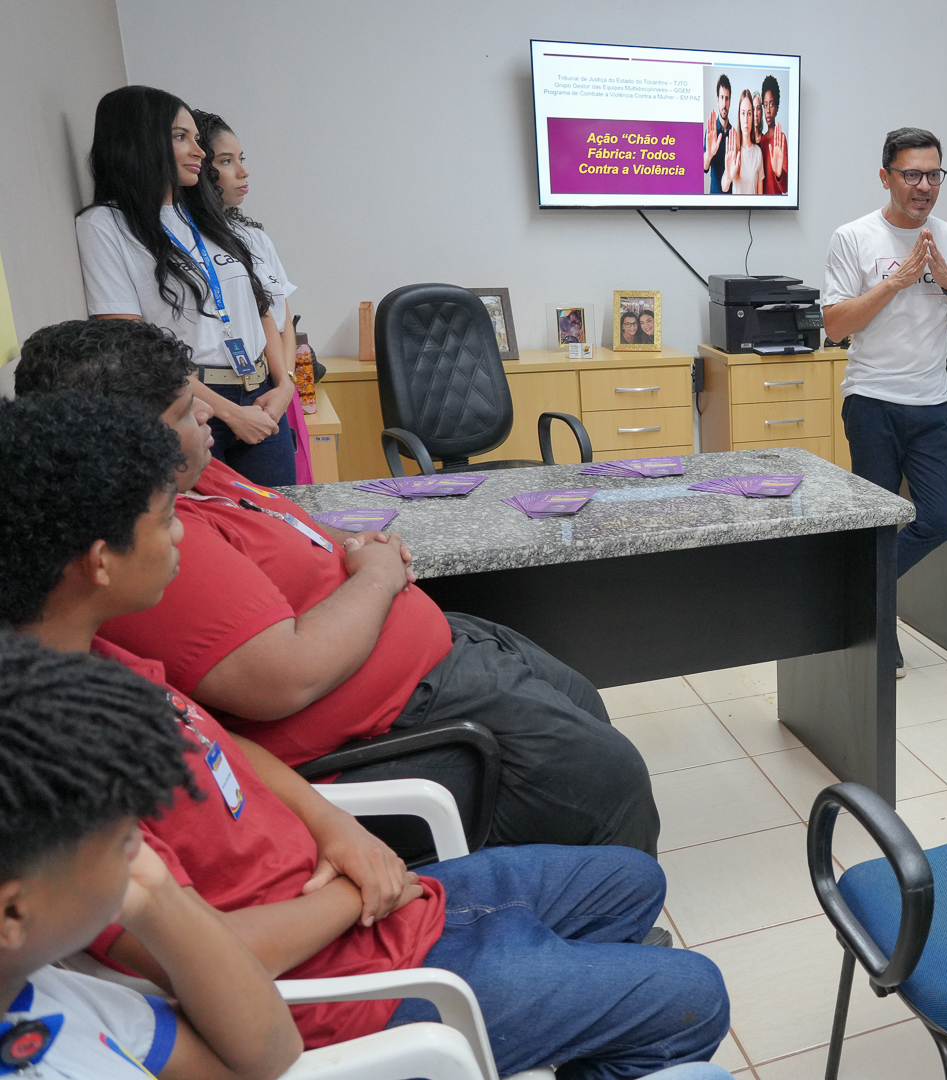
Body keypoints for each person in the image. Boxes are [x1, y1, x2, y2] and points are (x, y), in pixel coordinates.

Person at [0, 391, 732, 1077]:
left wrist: (336, 830)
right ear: (100, 561)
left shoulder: (93, 656)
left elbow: (227, 746)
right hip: (347, 985)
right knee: (693, 993)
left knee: (634, 882)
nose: (183, 532)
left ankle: (566, 1013)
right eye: (165, 520)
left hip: (369, 903)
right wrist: (356, 895)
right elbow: (206, 959)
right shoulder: (56, 766)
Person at [14, 319, 660, 859]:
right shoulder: (152, 542)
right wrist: (377, 576)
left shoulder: (195, 476)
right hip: (400, 720)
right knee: (613, 777)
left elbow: (294, 530)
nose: (210, 413)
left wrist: (360, 551)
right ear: (127, 441)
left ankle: (596, 895)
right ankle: (614, 936)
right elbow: (285, 676)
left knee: (579, 698)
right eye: (188, 411)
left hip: (429, 659)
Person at [0, 633, 303, 1080]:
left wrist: (152, 893)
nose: (140, 851)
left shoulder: (36, 990)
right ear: (12, 912)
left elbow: (267, 1057)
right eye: (124, 839)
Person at [822, 127, 947, 670]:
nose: (924, 186)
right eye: (911, 174)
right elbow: (835, 327)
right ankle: (877, 630)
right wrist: (895, 283)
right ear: (885, 176)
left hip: (931, 403)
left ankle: (858, 590)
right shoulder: (854, 237)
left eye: (933, 175)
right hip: (871, 400)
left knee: (939, 520)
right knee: (878, 524)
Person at [75, 86, 296, 487]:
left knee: (284, 526)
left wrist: (283, 388)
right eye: (181, 138)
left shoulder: (206, 217)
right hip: (190, 408)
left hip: (261, 397)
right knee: (218, 536)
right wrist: (229, 413)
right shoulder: (105, 226)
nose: (199, 151)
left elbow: (261, 308)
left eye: (197, 138)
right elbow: (133, 347)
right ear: (138, 142)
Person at [192, 108, 313, 484]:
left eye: (241, 159)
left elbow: (279, 318)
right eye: (226, 161)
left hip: (263, 387)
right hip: (204, 395)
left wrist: (284, 387)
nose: (243, 172)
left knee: (284, 513)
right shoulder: (177, 238)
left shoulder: (254, 237)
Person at [726, 89, 764, 194]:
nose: (746, 120)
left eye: (749, 113)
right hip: (735, 210)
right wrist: (729, 176)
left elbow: (760, 196)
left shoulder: (758, 152)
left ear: (753, 117)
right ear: (739, 117)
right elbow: (724, 187)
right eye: (743, 113)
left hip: (754, 210)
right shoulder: (733, 150)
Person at [704, 74, 732, 195]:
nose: (724, 103)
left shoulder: (734, 134)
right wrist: (709, 155)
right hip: (714, 201)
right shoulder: (711, 131)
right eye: (722, 98)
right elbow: (704, 168)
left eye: (727, 98)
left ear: (730, 100)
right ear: (717, 99)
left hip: (733, 202)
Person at [761, 75, 788, 196]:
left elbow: (785, 188)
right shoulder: (761, 141)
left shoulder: (781, 139)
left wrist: (779, 174)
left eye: (771, 105)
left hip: (776, 209)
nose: (768, 110)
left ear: (777, 107)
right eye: (765, 105)